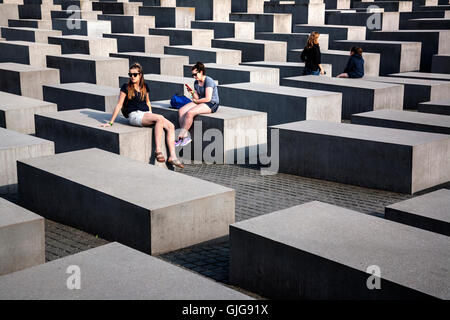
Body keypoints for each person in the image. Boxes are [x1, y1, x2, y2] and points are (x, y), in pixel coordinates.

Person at [100, 62, 184, 168]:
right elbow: (119, 105)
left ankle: (172, 156)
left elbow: (148, 102)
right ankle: (158, 150)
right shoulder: (125, 87)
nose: (132, 77)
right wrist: (110, 122)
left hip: (146, 114)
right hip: (135, 115)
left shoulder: (145, 86)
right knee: (160, 118)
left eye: (135, 74)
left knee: (171, 126)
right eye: (130, 74)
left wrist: (151, 114)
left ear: (140, 75)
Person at [175, 61, 220, 147]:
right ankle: (185, 137)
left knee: (190, 113)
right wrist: (192, 92)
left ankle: (180, 136)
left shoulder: (208, 81)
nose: (194, 77)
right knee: (181, 111)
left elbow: (208, 98)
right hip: (201, 101)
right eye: (192, 75)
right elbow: (197, 97)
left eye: (195, 74)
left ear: (201, 72)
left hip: (211, 103)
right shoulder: (196, 82)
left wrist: (196, 101)